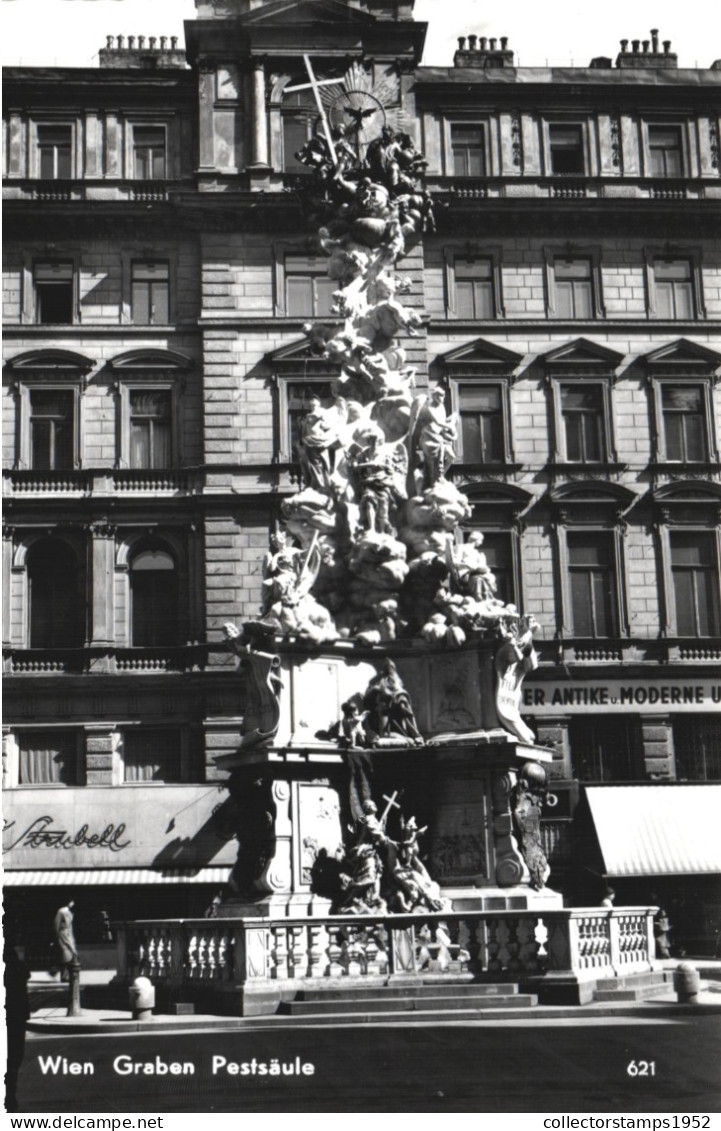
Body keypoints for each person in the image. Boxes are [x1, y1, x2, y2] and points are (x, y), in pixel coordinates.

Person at [53, 899, 78, 981]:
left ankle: (61, 974)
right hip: (62, 935)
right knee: (65, 955)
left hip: (68, 935)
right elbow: (56, 923)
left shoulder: (71, 913)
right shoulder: (62, 911)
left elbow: (70, 926)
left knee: (70, 955)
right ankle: (62, 975)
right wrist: (57, 936)